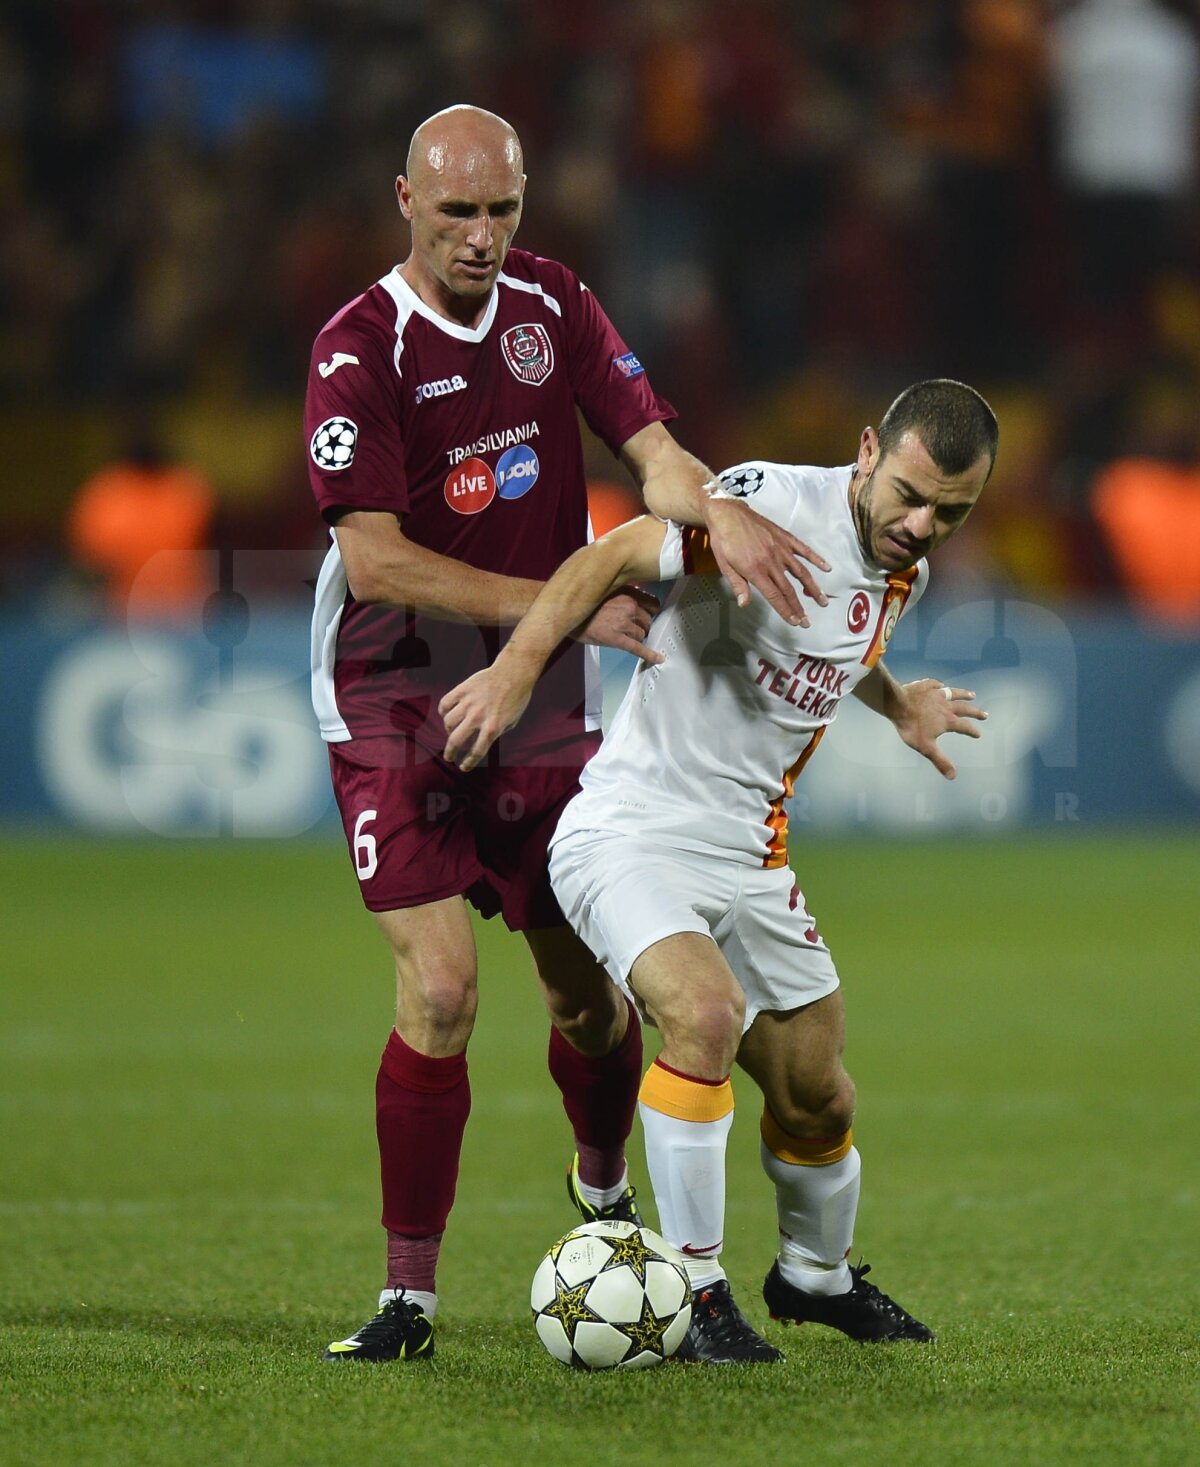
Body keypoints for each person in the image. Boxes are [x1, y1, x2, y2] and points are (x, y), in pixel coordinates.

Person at [304, 104, 829, 1363]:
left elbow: (651, 453)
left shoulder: (554, 305)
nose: (483, 237)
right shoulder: (357, 350)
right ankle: (408, 1301)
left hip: (541, 699)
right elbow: (373, 563)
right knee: (439, 988)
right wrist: (559, 606)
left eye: (503, 212)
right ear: (405, 201)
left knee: (589, 1005)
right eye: (457, 213)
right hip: (394, 695)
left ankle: (604, 1204)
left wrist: (718, 518)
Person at [440, 379, 998, 1362]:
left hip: (749, 850)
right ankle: (694, 1292)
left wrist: (897, 703)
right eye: (909, 493)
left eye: (952, 511)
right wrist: (517, 669)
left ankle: (814, 1278)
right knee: (701, 1016)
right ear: (867, 450)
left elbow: (827, 641)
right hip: (630, 832)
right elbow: (612, 554)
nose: (922, 523)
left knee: (820, 1092)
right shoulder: (766, 508)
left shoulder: (897, 567)